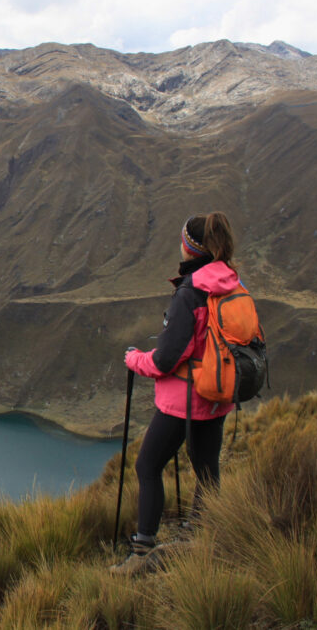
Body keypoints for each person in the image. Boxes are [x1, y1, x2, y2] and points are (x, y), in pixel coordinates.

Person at [111, 212, 240, 573]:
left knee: (148, 465)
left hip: (183, 400)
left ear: (189, 247)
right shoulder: (230, 283)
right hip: (218, 394)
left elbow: (168, 358)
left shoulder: (191, 292)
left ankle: (142, 554)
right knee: (206, 467)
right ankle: (200, 536)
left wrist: (135, 360)